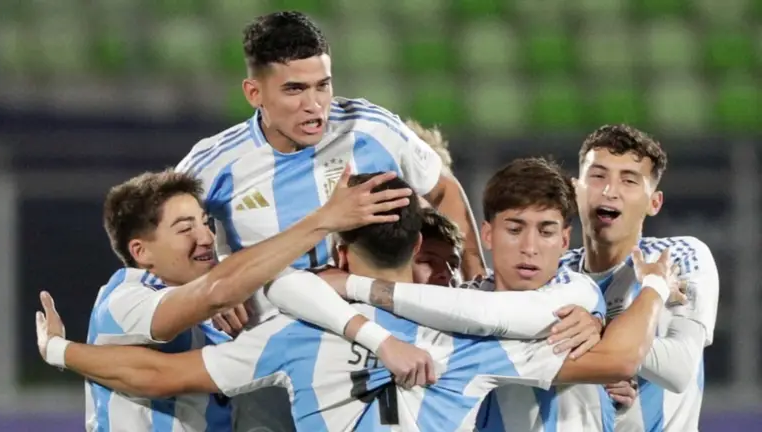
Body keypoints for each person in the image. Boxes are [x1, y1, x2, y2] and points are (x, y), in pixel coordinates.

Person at [37, 174, 680, 432]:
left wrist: (60, 350)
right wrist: (646, 290)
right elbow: (619, 359)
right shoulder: (475, 338)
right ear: (417, 249)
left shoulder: (288, 334)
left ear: (340, 253)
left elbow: (157, 373)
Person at [175, 11, 485, 328]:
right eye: (294, 89)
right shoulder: (215, 163)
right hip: (267, 342)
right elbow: (159, 239)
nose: (313, 105)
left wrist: (477, 278)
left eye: (322, 85)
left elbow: (443, 189)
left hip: (380, 336)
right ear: (255, 93)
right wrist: (201, 286)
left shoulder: (370, 128)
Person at [318, 158, 672, 431]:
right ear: (487, 235)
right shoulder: (459, 304)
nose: (530, 247)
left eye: (546, 232)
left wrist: (352, 285)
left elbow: (491, 316)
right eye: (514, 229)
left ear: (564, 241)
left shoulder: (577, 293)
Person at [75, 168, 433, 431]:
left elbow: (282, 287)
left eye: (205, 222)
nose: (205, 237)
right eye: (185, 229)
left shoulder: (221, 299)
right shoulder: (124, 300)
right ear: (141, 251)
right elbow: (215, 293)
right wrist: (324, 220)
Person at [560, 125, 719, 431]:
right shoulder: (554, 273)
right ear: (575, 190)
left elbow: (679, 369)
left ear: (653, 203)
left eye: (629, 180)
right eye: (598, 176)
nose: (610, 190)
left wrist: (599, 331)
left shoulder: (678, 257)